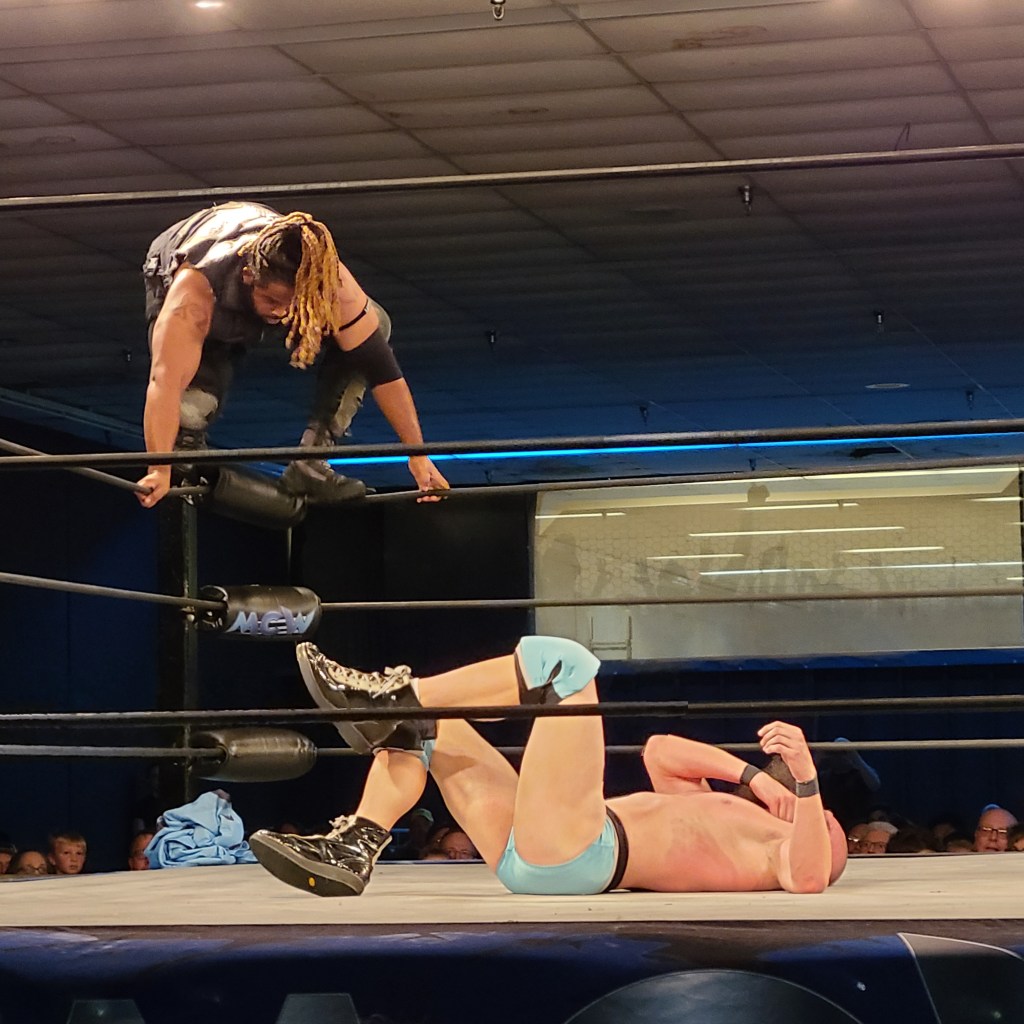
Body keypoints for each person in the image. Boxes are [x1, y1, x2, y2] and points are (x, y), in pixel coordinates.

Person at [251, 637, 847, 898]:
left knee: (567, 666)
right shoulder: (721, 814)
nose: (824, 824)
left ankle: (390, 696)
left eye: (828, 832)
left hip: (583, 849)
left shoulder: (774, 854)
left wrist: (807, 781)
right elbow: (661, 750)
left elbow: (809, 877)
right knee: (432, 727)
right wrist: (755, 777)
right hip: (538, 849)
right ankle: (356, 843)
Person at [136, 201, 449, 507]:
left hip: (266, 267)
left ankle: (312, 460)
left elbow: (384, 372)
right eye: (272, 300)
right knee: (191, 407)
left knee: (373, 325)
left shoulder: (330, 283)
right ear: (249, 276)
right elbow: (164, 382)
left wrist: (418, 455)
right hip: (198, 273)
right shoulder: (193, 293)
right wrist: (159, 468)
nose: (282, 312)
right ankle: (184, 446)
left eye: (293, 304)